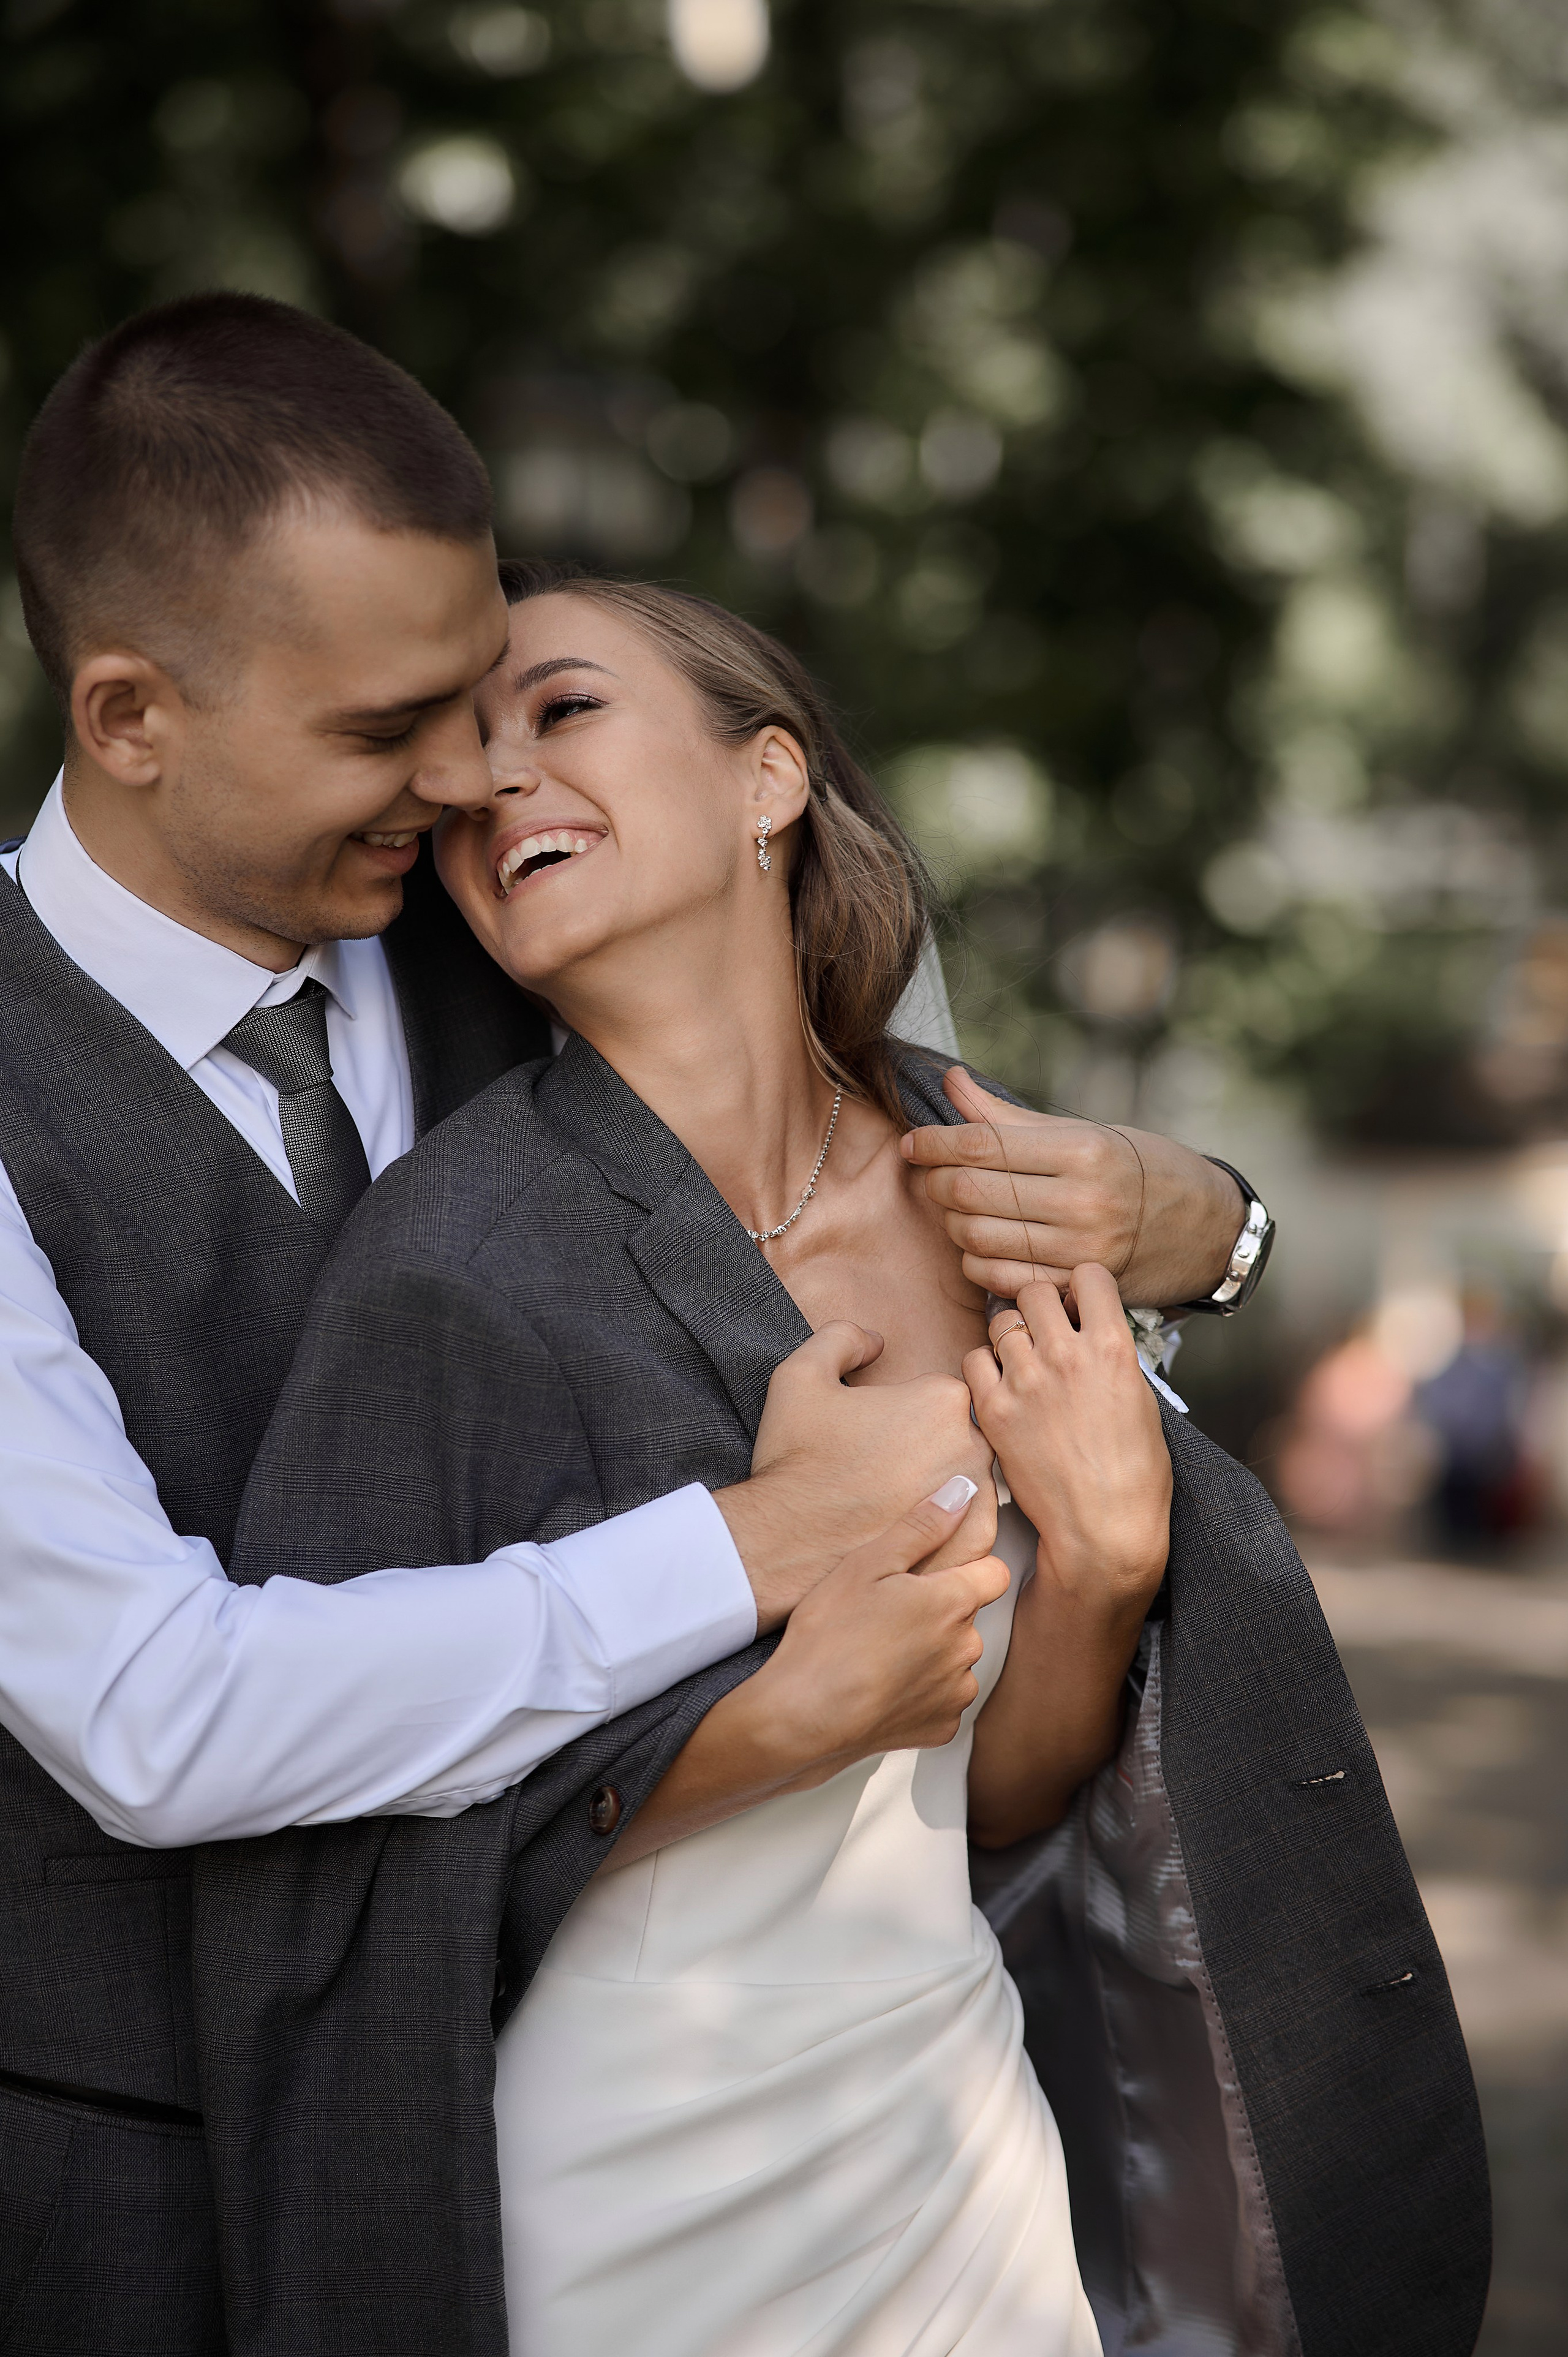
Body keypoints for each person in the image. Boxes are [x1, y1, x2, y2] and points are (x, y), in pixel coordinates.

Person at [0, 293, 1261, 2355]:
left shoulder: (530, 937)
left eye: (490, 694)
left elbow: (944, 1154)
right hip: (117, 2194)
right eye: (382, 727)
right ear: (130, 715)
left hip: (759, 2114)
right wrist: (755, 1555)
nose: (463, 775)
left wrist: (1209, 1222)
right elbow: (154, 1711)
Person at [206, 564, 1491, 2357]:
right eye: (460, 765)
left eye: (561, 709)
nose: (493, 783)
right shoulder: (449, 1262)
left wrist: (1111, 1567)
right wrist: (785, 1703)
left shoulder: (996, 1179)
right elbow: (324, 1842)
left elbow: (978, 1811)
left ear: (771, 780)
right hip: (638, 2177)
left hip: (957, 2130)